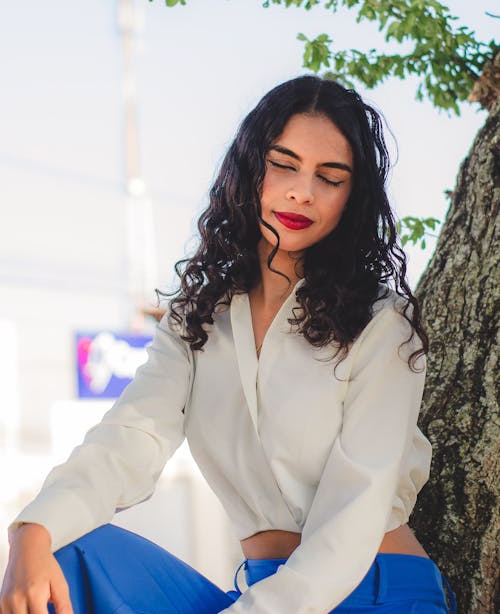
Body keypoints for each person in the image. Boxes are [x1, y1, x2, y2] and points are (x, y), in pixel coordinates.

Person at [0, 76, 456, 614]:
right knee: (69, 551)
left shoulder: (381, 323)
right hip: (258, 591)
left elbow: (355, 514)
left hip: (378, 593)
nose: (301, 192)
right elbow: (129, 440)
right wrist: (32, 529)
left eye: (329, 177)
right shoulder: (198, 320)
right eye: (284, 164)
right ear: (248, 168)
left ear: (351, 200)